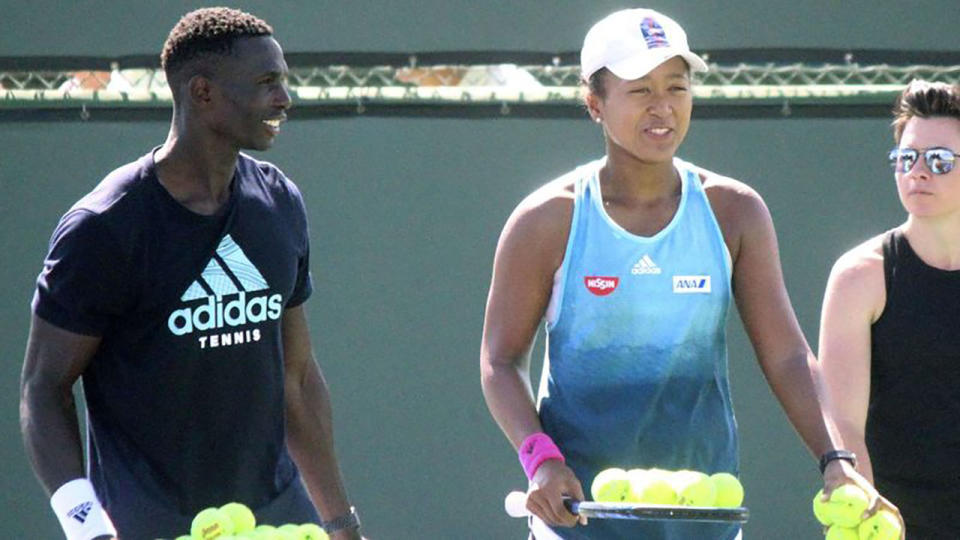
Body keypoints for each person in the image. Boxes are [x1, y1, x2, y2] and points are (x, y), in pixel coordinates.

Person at [479, 8, 874, 539]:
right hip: (579, 526)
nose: (662, 106)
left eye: (676, 86)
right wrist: (541, 460)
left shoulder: (736, 212)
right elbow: (499, 361)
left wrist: (835, 458)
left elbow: (785, 355)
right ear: (595, 103)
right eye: (639, 89)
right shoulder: (545, 221)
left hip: (706, 523)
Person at [19, 8, 364, 540]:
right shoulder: (104, 227)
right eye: (266, 83)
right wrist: (87, 527)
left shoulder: (279, 202)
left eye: (284, 82)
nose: (284, 100)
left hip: (278, 520)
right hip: (147, 526)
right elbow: (43, 391)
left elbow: (295, 376)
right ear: (202, 93)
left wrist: (341, 523)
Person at [818, 79, 960, 539]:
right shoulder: (861, 276)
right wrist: (868, 518)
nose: (918, 172)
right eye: (906, 158)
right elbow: (842, 426)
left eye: (939, 160)